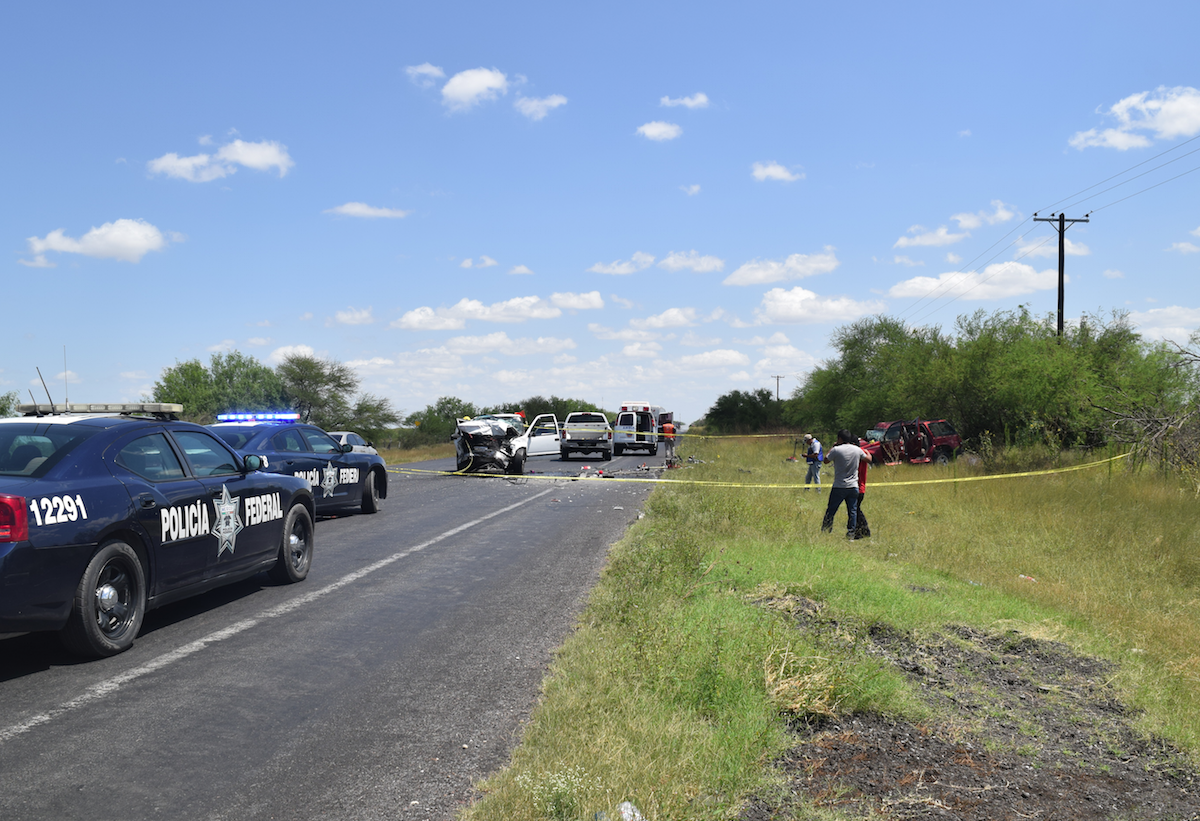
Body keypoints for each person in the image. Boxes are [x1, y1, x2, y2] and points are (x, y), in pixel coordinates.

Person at [820, 429, 872, 538]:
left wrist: (833, 447)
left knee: (831, 510)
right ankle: (851, 533)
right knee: (852, 511)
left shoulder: (836, 450)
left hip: (839, 486)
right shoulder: (857, 450)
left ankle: (826, 531)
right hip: (853, 486)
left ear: (840, 438)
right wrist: (867, 452)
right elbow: (868, 459)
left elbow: (825, 460)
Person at [854, 445, 871, 539]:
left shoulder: (857, 453)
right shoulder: (863, 452)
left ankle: (862, 531)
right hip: (860, 486)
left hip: (857, 486)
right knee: (856, 509)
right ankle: (863, 531)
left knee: (855, 510)